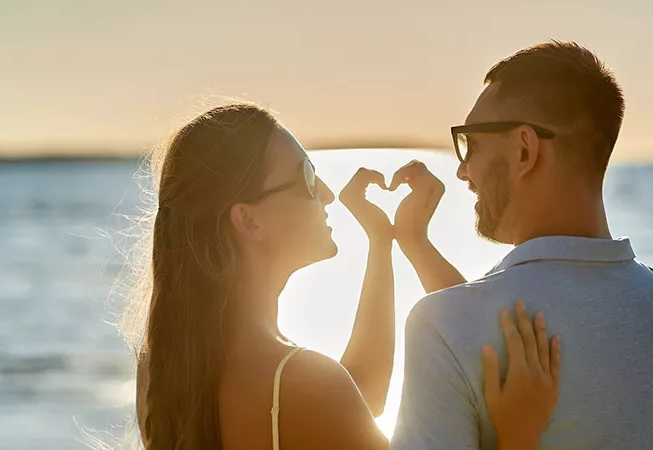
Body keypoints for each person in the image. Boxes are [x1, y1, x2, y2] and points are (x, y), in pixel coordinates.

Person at [125, 102, 561, 450]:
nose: (328, 193)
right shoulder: (300, 386)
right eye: (307, 177)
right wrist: (518, 434)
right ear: (248, 221)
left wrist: (385, 242)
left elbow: (358, 393)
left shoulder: (164, 366)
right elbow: (339, 401)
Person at [388, 41, 653, 449]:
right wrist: (417, 244)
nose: (463, 170)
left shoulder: (442, 326)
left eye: (471, 143)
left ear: (525, 150)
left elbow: (462, 326)